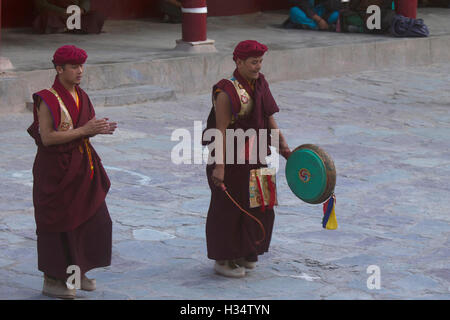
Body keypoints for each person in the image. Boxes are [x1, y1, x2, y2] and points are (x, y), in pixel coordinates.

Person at [27, 45, 117, 299]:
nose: (80, 71)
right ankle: (54, 280)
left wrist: (100, 128)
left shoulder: (81, 95)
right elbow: (47, 138)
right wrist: (86, 131)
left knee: (95, 220)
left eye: (82, 66)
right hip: (56, 171)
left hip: (83, 168)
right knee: (61, 224)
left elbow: (84, 127)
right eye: (74, 67)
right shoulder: (47, 98)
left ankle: (80, 272)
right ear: (59, 69)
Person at [202, 40, 291, 278]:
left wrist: (284, 148)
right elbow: (219, 131)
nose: (258, 67)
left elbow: (269, 117)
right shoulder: (226, 91)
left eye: (260, 62)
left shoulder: (260, 83)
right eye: (253, 62)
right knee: (230, 208)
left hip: (258, 154)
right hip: (230, 159)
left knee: (261, 204)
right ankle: (224, 258)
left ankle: (248, 251)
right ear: (238, 62)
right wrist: (219, 167)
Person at [33, 0, 106, 34]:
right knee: (45, 17)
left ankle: (68, 28)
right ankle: (69, 28)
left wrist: (82, 9)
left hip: (76, 15)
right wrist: (62, 11)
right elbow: (41, 4)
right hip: (58, 14)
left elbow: (85, 1)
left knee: (96, 15)